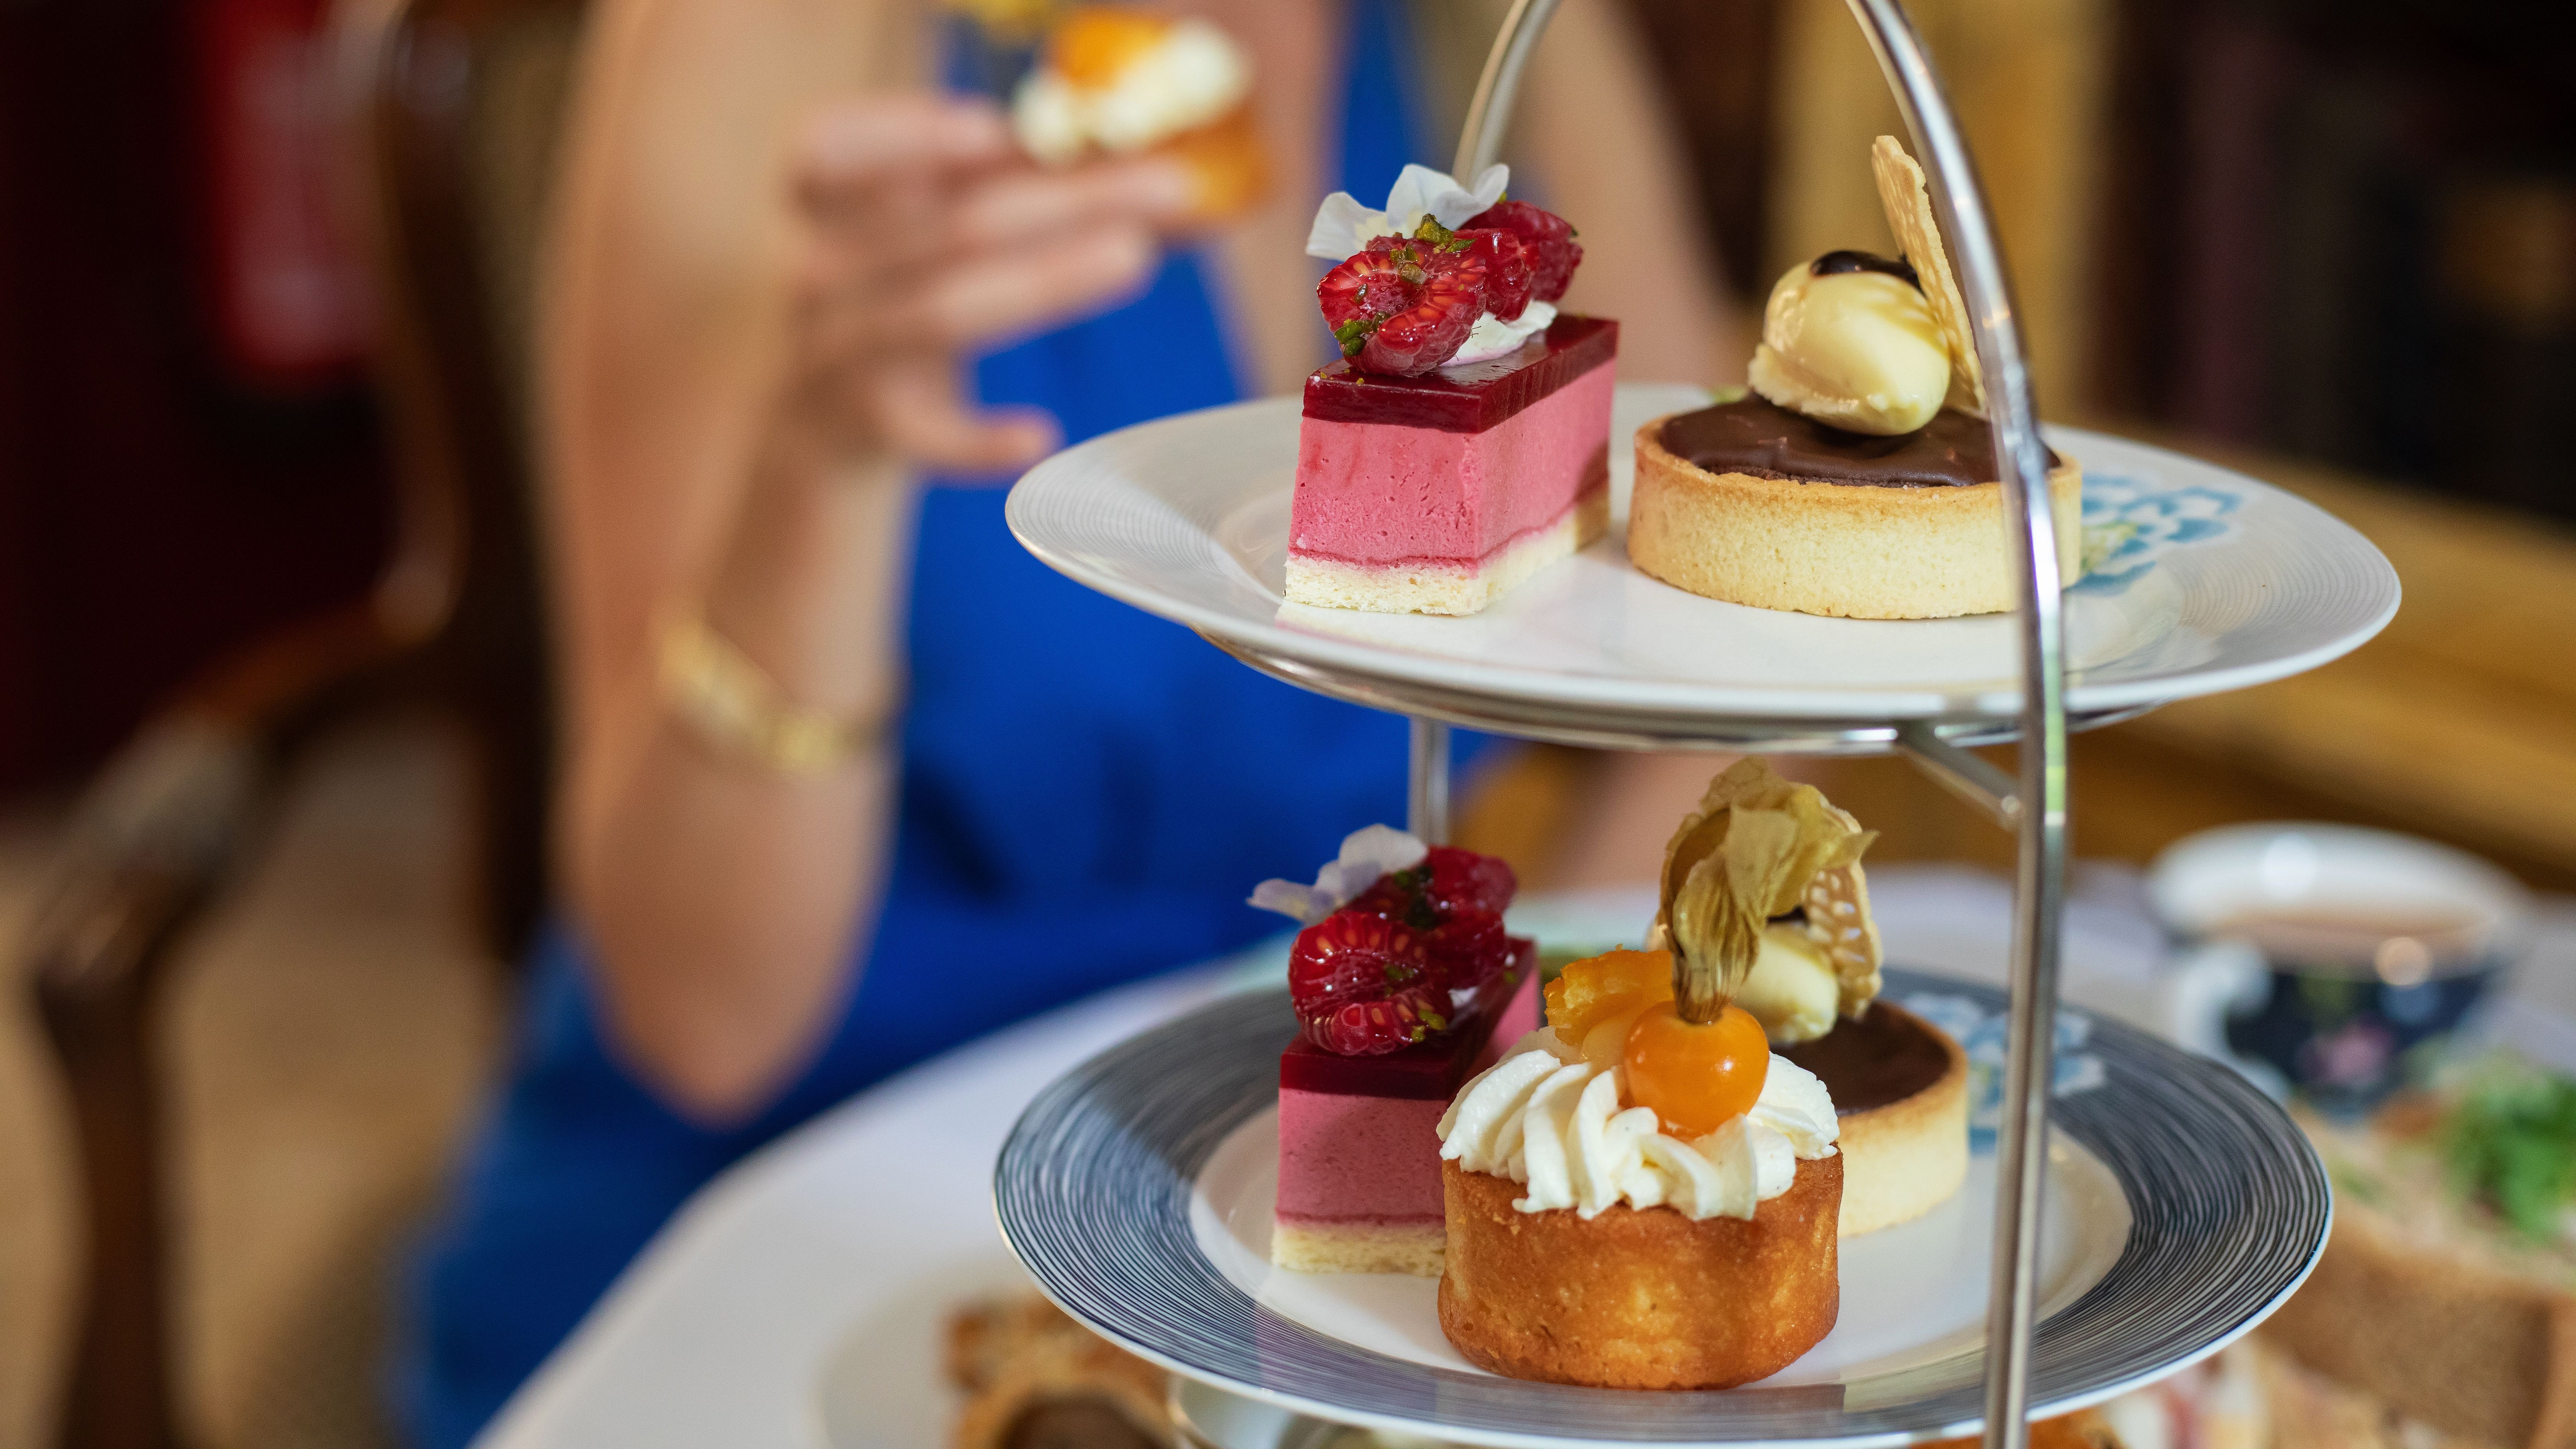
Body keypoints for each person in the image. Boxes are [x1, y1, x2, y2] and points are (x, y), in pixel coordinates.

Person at [394, 0, 1740, 1442]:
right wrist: (824, 455)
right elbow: (702, 1022)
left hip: (1265, 1224)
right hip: (806, 1226)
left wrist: (1499, 1112)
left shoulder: (1505, 35)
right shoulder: (766, 37)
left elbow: (1715, 636)